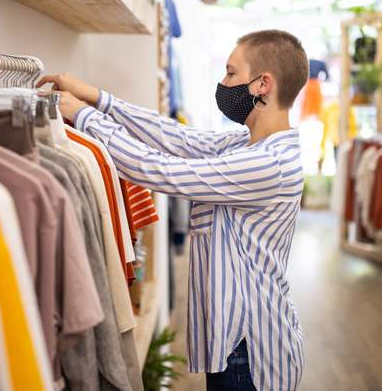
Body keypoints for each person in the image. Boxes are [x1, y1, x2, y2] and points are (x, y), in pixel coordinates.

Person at [38, 29, 309, 391]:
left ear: (263, 84)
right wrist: (101, 101)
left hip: (253, 349)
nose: (223, 83)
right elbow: (176, 138)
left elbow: (159, 170)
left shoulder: (268, 164)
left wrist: (84, 116)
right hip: (239, 342)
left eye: (231, 73)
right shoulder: (244, 143)